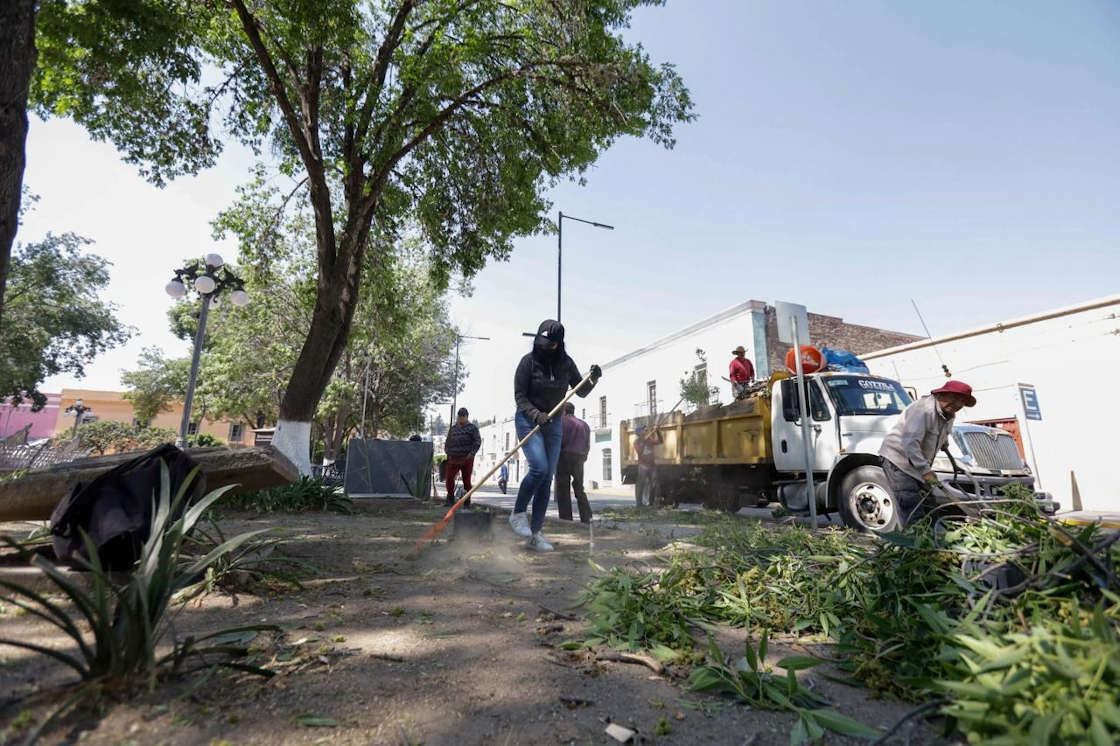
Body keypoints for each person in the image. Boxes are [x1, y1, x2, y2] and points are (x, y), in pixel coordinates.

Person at [509, 319, 601, 551]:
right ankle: (518, 513)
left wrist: (594, 378)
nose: (543, 346)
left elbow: (581, 391)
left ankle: (535, 534)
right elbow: (520, 396)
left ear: (558, 345)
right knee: (539, 468)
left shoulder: (565, 364)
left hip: (554, 423)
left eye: (549, 343)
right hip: (528, 419)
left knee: (547, 477)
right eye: (541, 341)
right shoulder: (527, 363)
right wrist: (535, 414)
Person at [879, 380, 976, 526]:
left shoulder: (949, 413)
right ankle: (916, 543)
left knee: (929, 506)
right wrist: (925, 471)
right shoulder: (923, 410)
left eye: (961, 402)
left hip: (917, 461)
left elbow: (941, 432)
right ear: (942, 394)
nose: (957, 405)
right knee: (912, 506)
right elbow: (910, 443)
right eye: (955, 399)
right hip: (899, 460)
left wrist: (944, 443)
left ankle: (932, 538)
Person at [555, 402, 593, 522]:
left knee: (563, 488)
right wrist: (584, 456)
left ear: (564, 410)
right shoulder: (584, 425)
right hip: (579, 457)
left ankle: (566, 518)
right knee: (579, 487)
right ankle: (587, 517)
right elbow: (587, 444)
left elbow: (558, 441)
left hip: (564, 456)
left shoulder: (561, 422)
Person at [443, 407, 481, 507]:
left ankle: (467, 500)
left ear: (466, 417)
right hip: (453, 458)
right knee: (449, 478)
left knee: (466, 480)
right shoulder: (453, 428)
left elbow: (477, 442)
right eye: (459, 417)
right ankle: (450, 498)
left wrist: (471, 454)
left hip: (467, 459)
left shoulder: (472, 428)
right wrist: (448, 452)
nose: (460, 419)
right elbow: (447, 442)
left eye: (462, 417)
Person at [633, 424, 663, 507]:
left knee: (654, 484)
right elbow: (639, 452)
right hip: (642, 466)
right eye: (644, 430)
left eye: (646, 430)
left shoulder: (649, 439)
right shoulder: (636, 442)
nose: (646, 431)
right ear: (639, 432)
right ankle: (639, 504)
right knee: (641, 484)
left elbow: (660, 441)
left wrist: (657, 431)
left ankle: (651, 502)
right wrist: (643, 441)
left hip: (652, 465)